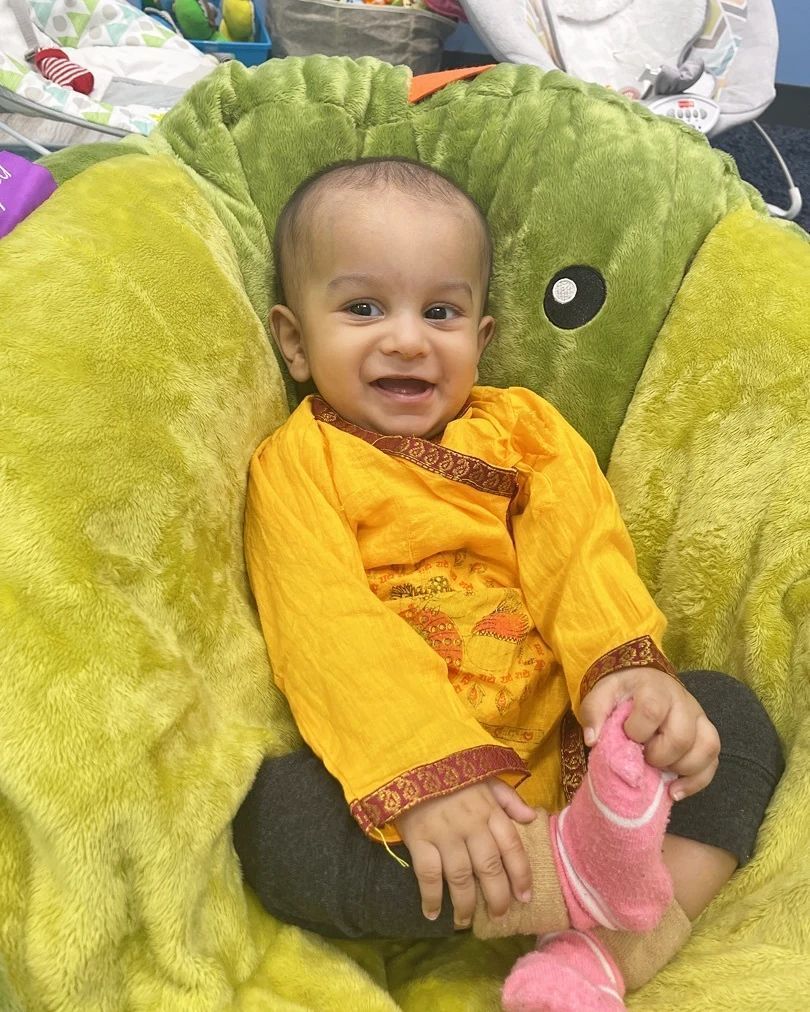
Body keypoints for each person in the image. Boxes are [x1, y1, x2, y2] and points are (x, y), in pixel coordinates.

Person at [234, 157, 783, 1010]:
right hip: (421, 790)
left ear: (481, 341)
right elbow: (324, 623)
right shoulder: (299, 462)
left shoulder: (522, 431)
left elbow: (579, 548)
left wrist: (624, 672)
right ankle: (584, 908)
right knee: (278, 827)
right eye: (364, 309)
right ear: (295, 340)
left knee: (731, 719)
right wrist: (433, 772)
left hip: (579, 752)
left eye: (441, 312)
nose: (408, 338)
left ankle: (592, 940)